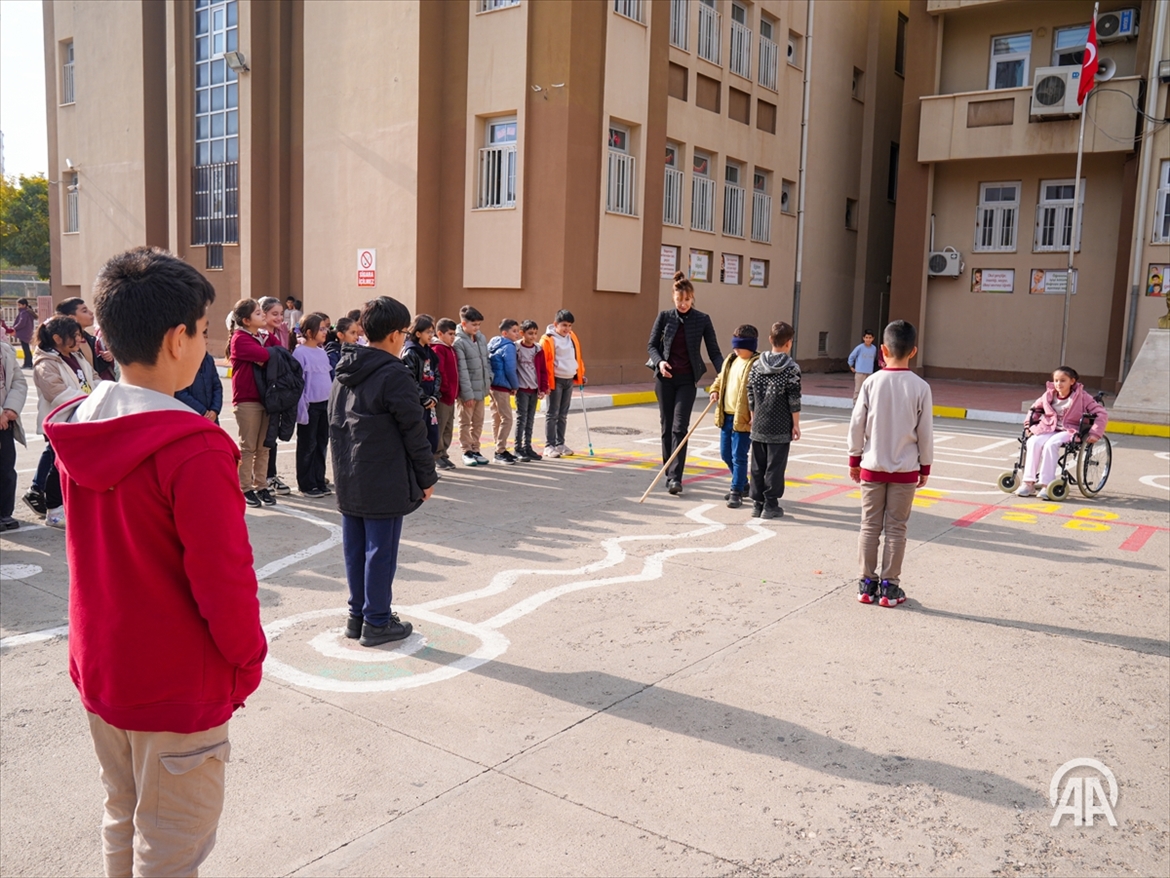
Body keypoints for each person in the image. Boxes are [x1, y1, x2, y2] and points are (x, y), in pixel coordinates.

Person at [43, 246, 266, 878]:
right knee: (170, 848)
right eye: (203, 330)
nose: (206, 343)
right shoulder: (193, 448)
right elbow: (224, 580)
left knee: (123, 814)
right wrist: (247, 661)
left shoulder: (80, 422)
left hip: (103, 666)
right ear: (177, 338)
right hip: (174, 683)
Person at [330, 296, 438, 647]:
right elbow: (414, 430)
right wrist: (426, 476)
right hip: (383, 475)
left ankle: (357, 616)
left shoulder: (345, 369)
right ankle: (376, 620)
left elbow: (335, 423)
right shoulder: (394, 373)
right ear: (394, 334)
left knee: (355, 547)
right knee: (381, 549)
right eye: (404, 332)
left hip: (349, 472)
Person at [848, 320, 934, 608]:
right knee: (897, 528)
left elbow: (857, 424)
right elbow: (925, 432)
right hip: (905, 469)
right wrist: (925, 466)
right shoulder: (921, 387)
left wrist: (854, 458)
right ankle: (889, 587)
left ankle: (865, 584)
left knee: (869, 526)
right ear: (913, 351)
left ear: (882, 350)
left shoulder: (871, 383)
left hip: (872, 466)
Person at [646, 271, 723, 493]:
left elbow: (714, 352)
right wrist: (660, 362)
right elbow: (651, 346)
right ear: (673, 298)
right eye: (679, 300)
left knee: (680, 428)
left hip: (687, 381)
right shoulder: (664, 317)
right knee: (667, 426)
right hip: (665, 380)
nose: (683, 304)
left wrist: (726, 373)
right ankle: (668, 470)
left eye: (687, 300)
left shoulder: (702, 319)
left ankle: (675, 478)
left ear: (692, 298)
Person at [28, 315, 97, 529]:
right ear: (57, 338)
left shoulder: (76, 356)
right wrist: (91, 400)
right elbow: (56, 393)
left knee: (77, 466)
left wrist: (99, 396)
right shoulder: (46, 362)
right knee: (58, 467)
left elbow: (94, 379)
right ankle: (54, 511)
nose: (79, 340)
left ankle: (71, 507)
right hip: (61, 423)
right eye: (74, 335)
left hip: (82, 419)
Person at [1017, 365, 1108, 499]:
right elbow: (1034, 409)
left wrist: (1095, 433)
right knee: (1033, 442)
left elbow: (1101, 413)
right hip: (1049, 427)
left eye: (1063, 380)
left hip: (1070, 429)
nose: (1058, 384)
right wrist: (1028, 426)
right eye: (1056, 380)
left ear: (1072, 381)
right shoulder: (1048, 395)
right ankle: (1028, 483)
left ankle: (1047, 484)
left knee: (1051, 445)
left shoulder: (1082, 396)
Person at [746, 322, 801, 519]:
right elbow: (794, 399)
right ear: (789, 342)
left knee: (757, 464)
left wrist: (753, 417)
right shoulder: (791, 368)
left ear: (770, 339)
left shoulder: (756, 365)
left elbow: (750, 393)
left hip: (759, 422)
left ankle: (757, 503)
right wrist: (796, 424)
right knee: (775, 466)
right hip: (780, 424)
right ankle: (770, 504)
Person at [227, 298, 275, 508]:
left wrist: (271, 351)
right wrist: (270, 353)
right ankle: (245, 487)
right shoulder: (239, 339)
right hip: (247, 399)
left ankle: (261, 485)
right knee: (248, 447)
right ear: (246, 320)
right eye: (257, 313)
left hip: (266, 398)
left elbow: (279, 350)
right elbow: (266, 354)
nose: (262, 315)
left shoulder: (263, 336)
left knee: (264, 446)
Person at [707, 325, 760, 509]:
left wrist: (755, 414)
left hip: (744, 418)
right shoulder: (730, 360)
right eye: (734, 344)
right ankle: (743, 483)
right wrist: (714, 390)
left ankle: (736, 491)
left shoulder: (756, 364)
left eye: (740, 345)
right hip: (727, 415)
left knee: (739, 456)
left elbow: (759, 392)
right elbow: (720, 379)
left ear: (750, 345)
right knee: (725, 453)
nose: (735, 348)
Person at [293, 313, 333, 497]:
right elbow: (299, 383)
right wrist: (302, 409)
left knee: (321, 443)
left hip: (324, 404)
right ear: (309, 332)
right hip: (310, 406)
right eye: (321, 329)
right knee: (307, 445)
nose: (325, 332)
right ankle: (306, 484)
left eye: (326, 328)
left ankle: (319, 479)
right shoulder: (300, 353)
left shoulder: (322, 352)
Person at [255, 298, 291, 495]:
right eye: (274, 314)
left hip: (277, 391)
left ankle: (270, 475)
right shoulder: (259, 336)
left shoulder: (279, 333)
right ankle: (263, 477)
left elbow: (286, 358)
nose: (279, 318)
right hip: (264, 392)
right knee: (262, 438)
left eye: (281, 314)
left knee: (272, 435)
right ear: (263, 314)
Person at [539, 309, 586, 458]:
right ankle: (549, 445)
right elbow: (543, 363)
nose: (567, 328)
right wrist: (544, 383)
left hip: (569, 378)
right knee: (552, 413)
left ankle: (560, 444)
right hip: (556, 380)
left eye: (570, 325)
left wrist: (580, 373)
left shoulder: (572, 337)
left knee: (563, 414)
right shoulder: (548, 340)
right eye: (564, 325)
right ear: (556, 324)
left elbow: (576, 357)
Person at [454, 305, 491, 466]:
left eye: (479, 324)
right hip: (468, 391)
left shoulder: (481, 338)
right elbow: (462, 370)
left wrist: (489, 378)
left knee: (478, 421)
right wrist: (467, 394)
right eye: (474, 324)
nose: (477, 328)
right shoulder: (459, 342)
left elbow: (486, 361)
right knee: (465, 422)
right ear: (464, 324)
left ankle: (476, 449)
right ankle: (466, 451)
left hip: (481, 388)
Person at [401, 314, 442, 456]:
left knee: (432, 435)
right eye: (428, 332)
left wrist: (435, 396)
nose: (431, 335)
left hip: (431, 401)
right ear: (418, 333)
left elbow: (437, 374)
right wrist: (423, 398)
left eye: (432, 331)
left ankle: (429, 462)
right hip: (418, 402)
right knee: (418, 435)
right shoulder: (411, 352)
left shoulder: (430, 353)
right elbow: (409, 378)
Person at [57, 297, 118, 383]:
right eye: (84, 311)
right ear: (72, 318)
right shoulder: (65, 344)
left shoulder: (89, 339)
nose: (91, 313)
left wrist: (105, 359)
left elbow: (92, 368)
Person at [0, 339, 27, 530]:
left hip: (5, 422)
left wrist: (11, 408)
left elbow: (19, 382)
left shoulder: (5, 350)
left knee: (6, 467)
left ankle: (5, 512)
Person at [514, 319, 548, 463]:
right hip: (522, 389)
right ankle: (518, 448)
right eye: (530, 333)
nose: (533, 336)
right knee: (521, 419)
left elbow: (543, 370)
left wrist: (543, 388)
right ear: (522, 333)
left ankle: (527, 447)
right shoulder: (516, 347)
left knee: (530, 419)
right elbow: (512, 367)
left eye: (535, 333)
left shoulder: (538, 349)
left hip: (534, 389)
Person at [488, 318, 521, 464]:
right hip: (502, 386)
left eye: (517, 331)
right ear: (505, 333)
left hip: (492, 385)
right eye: (514, 331)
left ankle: (499, 448)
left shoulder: (494, 343)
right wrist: (515, 386)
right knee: (507, 418)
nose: (517, 334)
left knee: (497, 418)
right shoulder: (509, 346)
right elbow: (510, 369)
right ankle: (499, 451)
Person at [432, 318, 460, 471]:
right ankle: (437, 455)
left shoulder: (451, 349)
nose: (453, 337)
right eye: (450, 334)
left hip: (451, 396)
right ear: (440, 334)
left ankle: (444, 454)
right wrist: (447, 389)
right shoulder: (438, 349)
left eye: (454, 334)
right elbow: (441, 372)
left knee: (449, 426)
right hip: (444, 396)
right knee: (440, 426)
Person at [175, 350, 223, 423]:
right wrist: (203, 411)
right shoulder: (182, 361)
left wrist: (214, 410)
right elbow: (180, 392)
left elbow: (217, 387)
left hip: (212, 418)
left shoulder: (208, 360)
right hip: (191, 418)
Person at [847, 330, 879, 402]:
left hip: (869, 372)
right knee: (858, 390)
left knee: (868, 390)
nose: (868, 339)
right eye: (866, 337)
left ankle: (866, 404)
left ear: (873, 338)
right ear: (863, 338)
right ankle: (856, 404)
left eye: (870, 338)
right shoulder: (860, 348)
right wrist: (851, 366)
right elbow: (852, 356)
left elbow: (873, 358)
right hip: (860, 372)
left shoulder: (874, 348)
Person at [11, 298, 35, 368]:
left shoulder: (24, 313)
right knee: (26, 348)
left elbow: (22, 323)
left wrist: (14, 328)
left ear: (24, 305)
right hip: (27, 332)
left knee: (25, 349)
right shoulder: (28, 312)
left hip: (24, 333)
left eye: (19, 305)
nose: (18, 306)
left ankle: (28, 363)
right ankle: (28, 363)